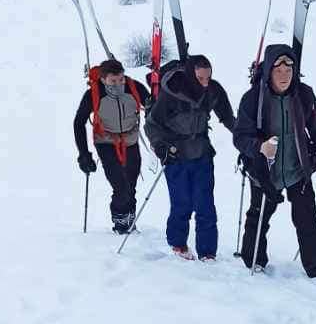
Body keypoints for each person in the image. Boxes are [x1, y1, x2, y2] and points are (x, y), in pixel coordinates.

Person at [233, 45, 316, 277]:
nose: (284, 75)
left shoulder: (303, 94)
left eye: (289, 69)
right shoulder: (253, 98)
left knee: (307, 219)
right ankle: (254, 260)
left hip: (297, 169)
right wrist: (259, 147)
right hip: (264, 171)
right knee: (258, 217)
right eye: (278, 69)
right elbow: (240, 136)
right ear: (269, 71)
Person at [144, 53, 236, 261]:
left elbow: (229, 119)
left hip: (202, 153)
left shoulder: (213, 91)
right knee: (182, 203)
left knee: (205, 204)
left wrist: (250, 140)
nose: (205, 83)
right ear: (190, 75)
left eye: (208, 78)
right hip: (175, 155)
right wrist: (161, 147)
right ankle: (178, 244)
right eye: (200, 79)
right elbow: (151, 124)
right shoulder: (172, 92)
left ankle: (207, 252)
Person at [74, 55, 150, 233]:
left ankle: (130, 221)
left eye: (121, 79)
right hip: (106, 142)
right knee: (120, 186)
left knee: (131, 184)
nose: (118, 84)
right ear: (103, 79)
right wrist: (83, 154)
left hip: (130, 140)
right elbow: (78, 122)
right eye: (113, 81)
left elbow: (153, 107)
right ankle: (120, 224)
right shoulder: (94, 93)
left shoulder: (133, 87)